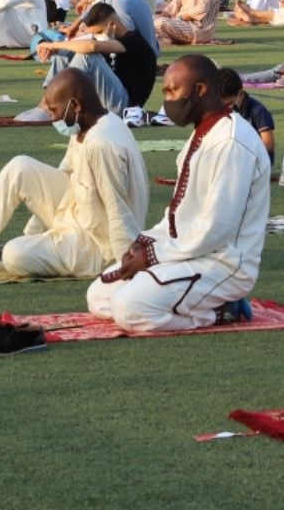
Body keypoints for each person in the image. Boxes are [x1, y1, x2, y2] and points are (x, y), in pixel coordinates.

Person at [86, 55, 270, 332]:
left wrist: (153, 256)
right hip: (185, 254)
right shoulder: (202, 136)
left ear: (201, 90)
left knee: (129, 309)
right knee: (99, 295)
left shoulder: (231, 142)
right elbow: (177, 218)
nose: (167, 101)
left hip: (222, 263)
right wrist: (141, 245)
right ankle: (197, 303)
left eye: (173, 91)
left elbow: (216, 229)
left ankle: (219, 312)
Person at [0, 68, 149, 277]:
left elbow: (118, 208)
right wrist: (34, 232)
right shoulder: (87, 125)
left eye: (54, 110)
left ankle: (45, 247)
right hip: (75, 212)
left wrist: (124, 264)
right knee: (21, 167)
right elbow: (63, 175)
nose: (51, 117)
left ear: (76, 106)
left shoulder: (102, 142)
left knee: (13, 254)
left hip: (97, 245)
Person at [30, 1, 157, 119]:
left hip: (124, 107)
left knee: (87, 55)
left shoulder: (134, 41)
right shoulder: (110, 40)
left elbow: (93, 46)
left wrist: (53, 45)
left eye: (99, 32)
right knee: (64, 53)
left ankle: (55, 103)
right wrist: (57, 49)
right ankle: (47, 102)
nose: (97, 36)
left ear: (112, 25)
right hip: (105, 99)